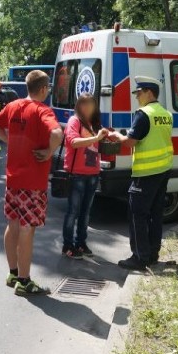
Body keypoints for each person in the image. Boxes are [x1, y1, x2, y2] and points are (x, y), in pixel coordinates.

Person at [0, 70, 63, 295]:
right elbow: (57, 133)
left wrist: (9, 140)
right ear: (42, 89)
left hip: (13, 179)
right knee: (27, 229)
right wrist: (50, 151)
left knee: (12, 224)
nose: (49, 91)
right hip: (33, 183)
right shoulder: (43, 110)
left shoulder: (14, 106)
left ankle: (13, 274)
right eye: (49, 88)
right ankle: (25, 280)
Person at [108, 76, 173, 271]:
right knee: (155, 215)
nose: (137, 97)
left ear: (149, 93)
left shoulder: (143, 114)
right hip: (163, 170)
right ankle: (152, 254)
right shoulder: (165, 114)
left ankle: (140, 257)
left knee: (137, 214)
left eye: (139, 93)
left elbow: (130, 142)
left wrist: (117, 136)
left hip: (145, 173)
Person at [62, 94, 109, 259]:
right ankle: (68, 245)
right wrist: (96, 138)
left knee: (86, 213)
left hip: (93, 174)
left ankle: (81, 243)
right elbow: (73, 142)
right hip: (77, 174)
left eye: (91, 104)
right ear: (78, 106)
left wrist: (106, 136)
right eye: (84, 104)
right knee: (73, 212)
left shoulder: (94, 123)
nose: (88, 107)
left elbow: (98, 144)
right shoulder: (74, 121)